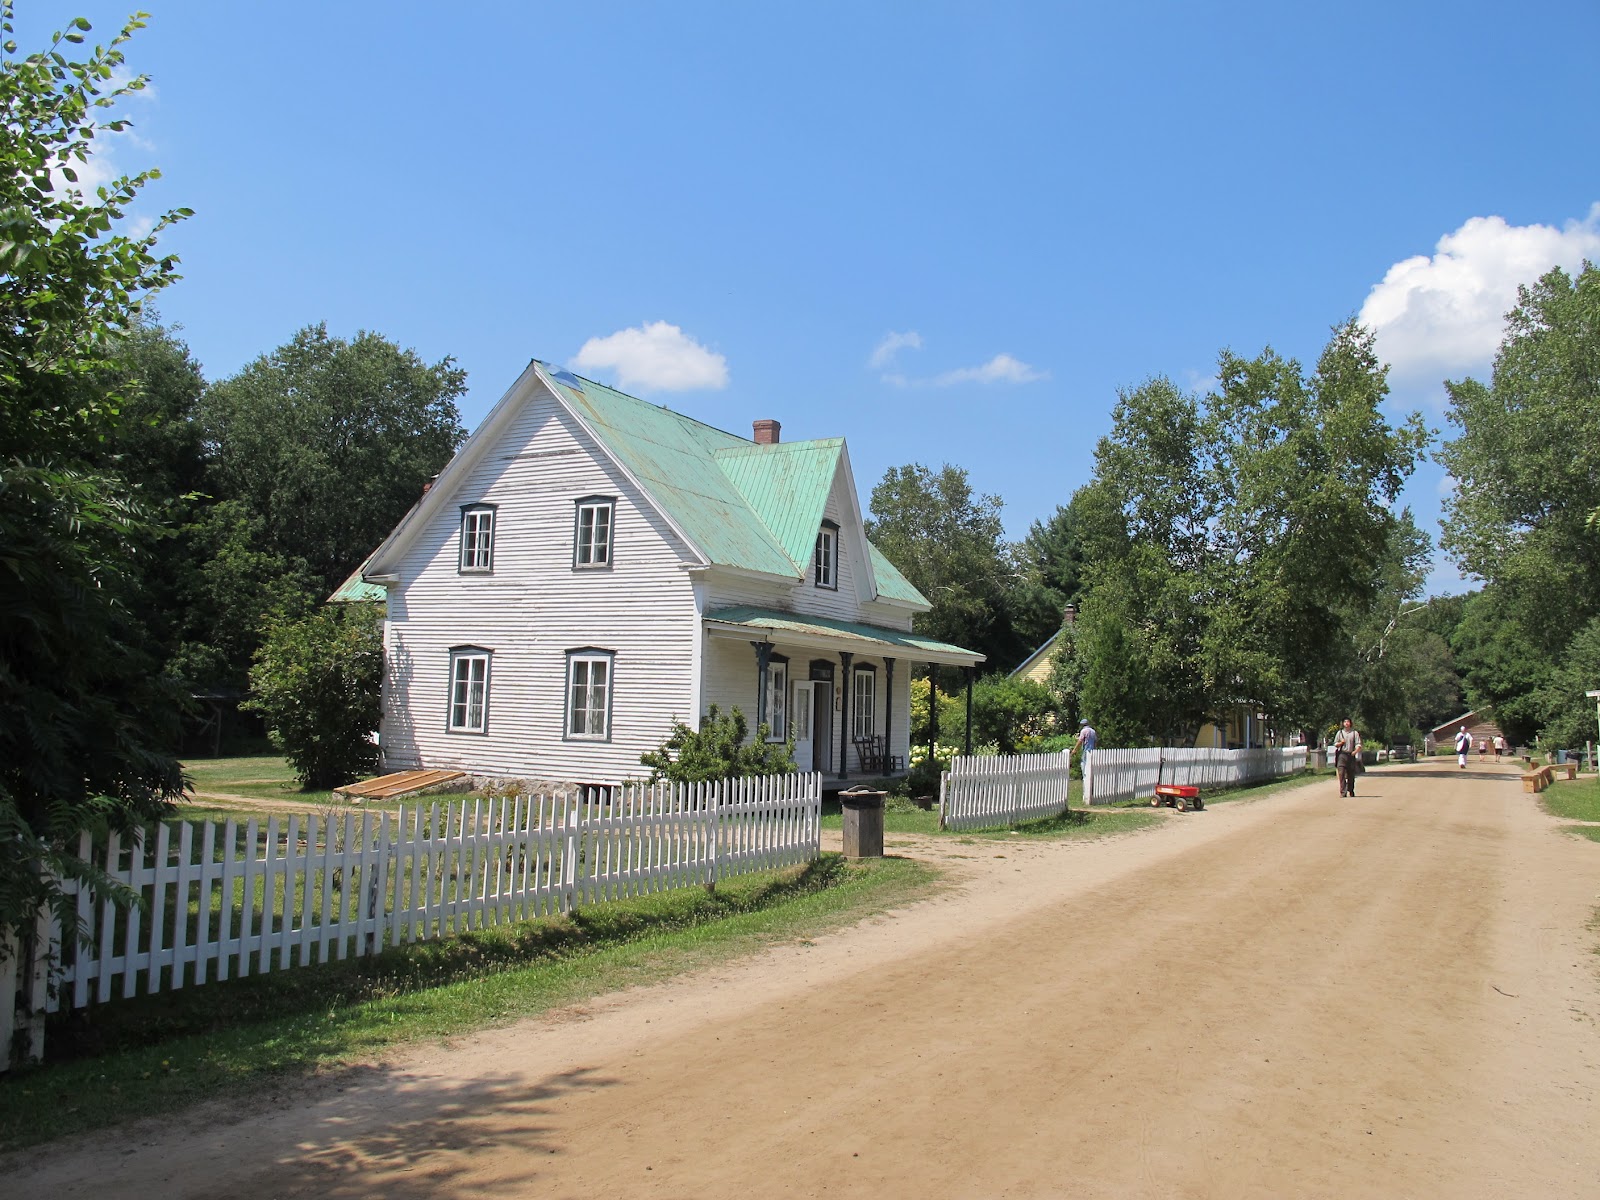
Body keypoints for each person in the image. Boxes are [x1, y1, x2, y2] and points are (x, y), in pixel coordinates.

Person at [1333, 718, 1362, 797]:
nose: (1346, 723)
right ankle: (1343, 791)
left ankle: (1351, 789)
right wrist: (1340, 743)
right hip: (1342, 755)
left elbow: (1358, 744)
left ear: (1350, 723)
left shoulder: (1354, 733)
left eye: (1348, 722)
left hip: (1351, 755)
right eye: (1345, 722)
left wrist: (1355, 751)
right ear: (1343, 723)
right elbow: (1335, 744)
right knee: (1341, 773)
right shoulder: (1339, 733)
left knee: (1351, 775)